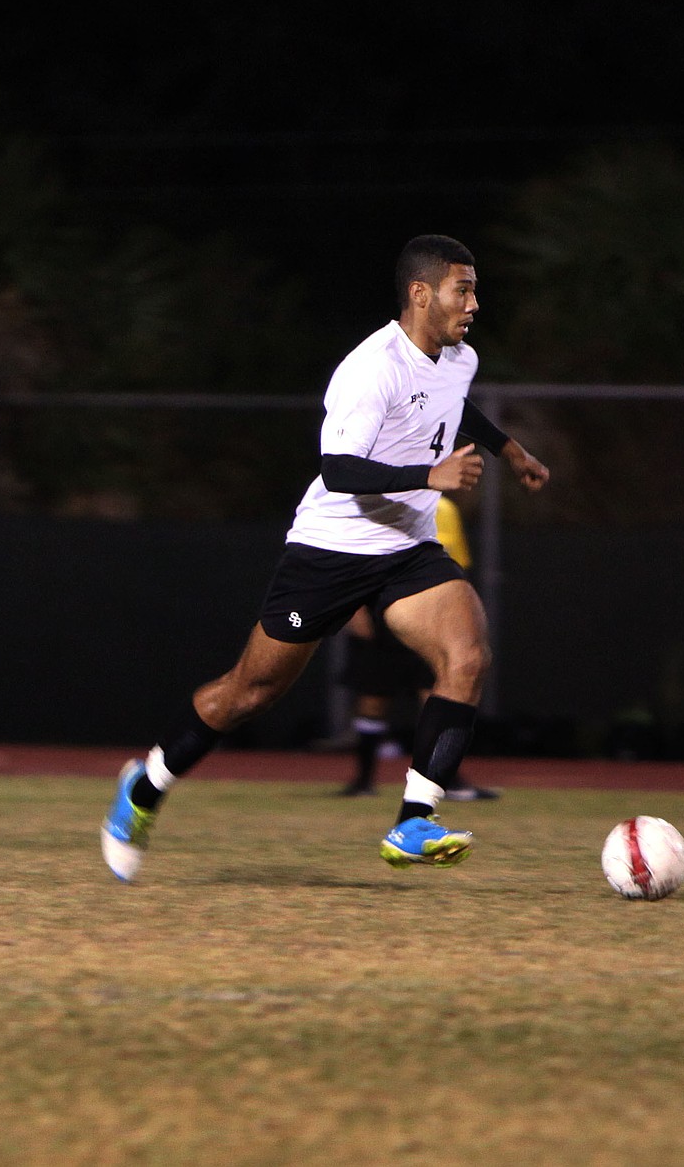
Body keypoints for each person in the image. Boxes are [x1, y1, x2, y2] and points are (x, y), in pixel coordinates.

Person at [101, 233, 549, 882]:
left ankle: (413, 821)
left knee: (468, 654)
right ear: (421, 294)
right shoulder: (370, 369)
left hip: (406, 548)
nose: (474, 303)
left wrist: (511, 451)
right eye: (463, 289)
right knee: (247, 694)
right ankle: (144, 788)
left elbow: (453, 405)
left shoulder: (460, 358)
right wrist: (430, 476)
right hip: (331, 550)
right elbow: (338, 470)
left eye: (475, 289)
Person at [338, 495, 501, 801]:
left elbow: (456, 564)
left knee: (440, 694)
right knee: (373, 699)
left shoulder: (445, 508)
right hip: (380, 613)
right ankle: (363, 781)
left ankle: (445, 780)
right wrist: (354, 608)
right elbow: (352, 556)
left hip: (430, 615)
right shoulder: (372, 497)